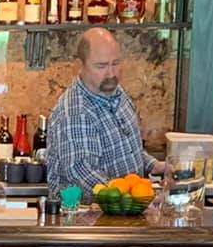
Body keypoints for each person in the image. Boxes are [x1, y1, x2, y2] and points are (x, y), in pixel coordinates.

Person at [45, 28, 168, 190]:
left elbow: (128, 151)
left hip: (129, 204)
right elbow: (84, 176)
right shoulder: (76, 113)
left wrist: (155, 166)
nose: (111, 74)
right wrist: (133, 195)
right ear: (80, 66)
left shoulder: (116, 92)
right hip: (90, 207)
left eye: (115, 63)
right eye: (101, 66)